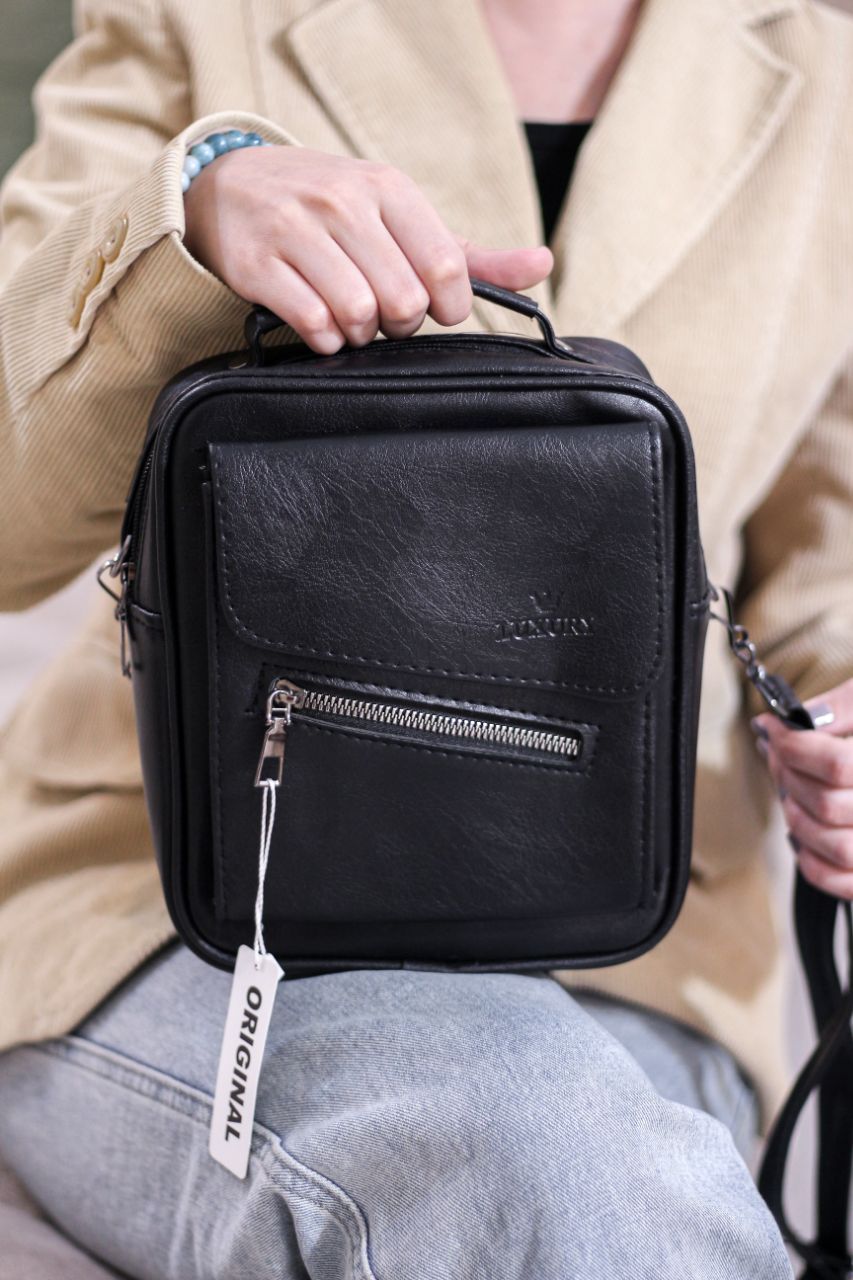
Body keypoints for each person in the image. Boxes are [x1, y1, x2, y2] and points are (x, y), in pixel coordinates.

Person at [0, 0, 851, 1275]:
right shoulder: (205, 15)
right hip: (187, 914)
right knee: (545, 1159)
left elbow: (824, 548)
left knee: (581, 1165)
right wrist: (193, 216)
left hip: (644, 952)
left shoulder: (827, 68)